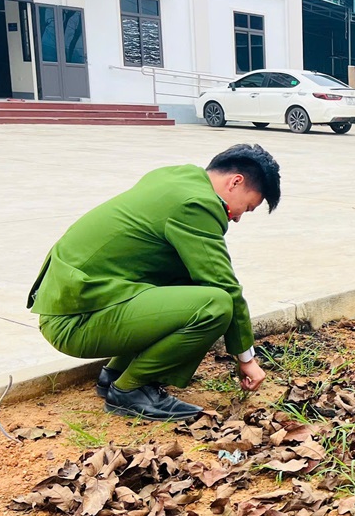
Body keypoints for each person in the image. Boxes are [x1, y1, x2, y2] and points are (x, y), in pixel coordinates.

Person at [28, 144, 281, 422]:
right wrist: (247, 359)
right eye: (247, 207)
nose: (237, 217)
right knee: (215, 304)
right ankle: (131, 390)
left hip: (77, 303)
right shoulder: (196, 205)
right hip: (75, 322)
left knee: (191, 280)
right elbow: (225, 287)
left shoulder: (174, 178)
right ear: (235, 182)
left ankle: (114, 374)